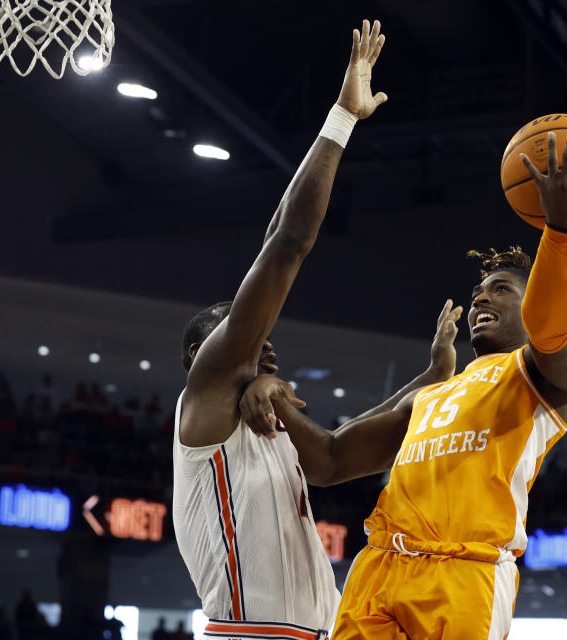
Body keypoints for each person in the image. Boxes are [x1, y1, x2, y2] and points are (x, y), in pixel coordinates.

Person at [250, 127, 567, 638]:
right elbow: (330, 461)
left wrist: (560, 235)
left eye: (501, 289)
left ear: (532, 300)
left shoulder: (549, 371)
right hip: (378, 568)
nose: (483, 299)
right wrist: (274, 395)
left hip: (464, 574)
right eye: (478, 291)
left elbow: (552, 329)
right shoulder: (431, 394)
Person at [172, 19, 459, 640]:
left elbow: (336, 455)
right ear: (203, 354)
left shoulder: (263, 424)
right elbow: (287, 241)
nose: (265, 338)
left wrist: (431, 382)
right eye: (240, 328)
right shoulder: (206, 396)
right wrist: (342, 119)